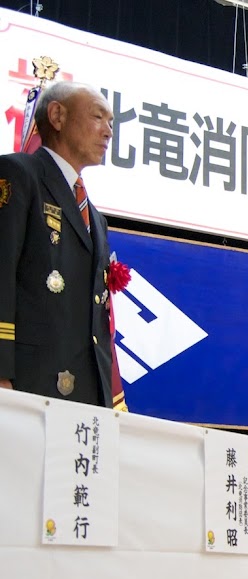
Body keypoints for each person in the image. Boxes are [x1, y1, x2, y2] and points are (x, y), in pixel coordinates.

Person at [0, 82, 114, 407]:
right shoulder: (18, 173)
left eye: (111, 123)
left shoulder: (96, 218)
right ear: (57, 116)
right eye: (98, 117)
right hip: (29, 384)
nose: (108, 132)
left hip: (85, 394)